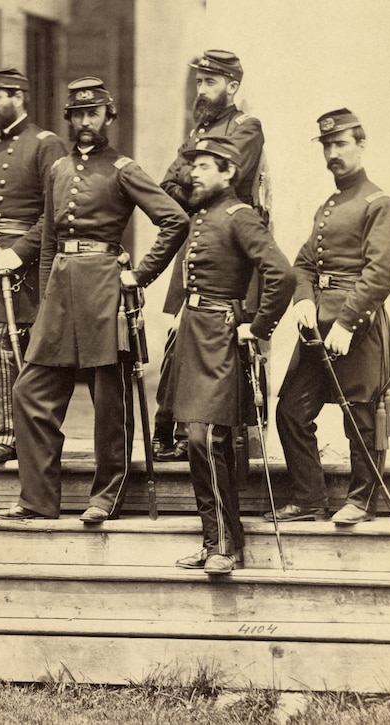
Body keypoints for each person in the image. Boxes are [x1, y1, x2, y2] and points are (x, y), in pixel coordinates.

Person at [0, 77, 188, 522]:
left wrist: (139, 275)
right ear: (69, 118)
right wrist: (45, 300)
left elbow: (174, 220)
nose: (85, 122)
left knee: (110, 401)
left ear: (108, 116)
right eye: (78, 115)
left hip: (105, 291)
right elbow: (47, 241)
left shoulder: (123, 168)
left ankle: (106, 497)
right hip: (60, 292)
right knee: (30, 393)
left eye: (93, 114)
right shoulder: (57, 170)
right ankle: (38, 499)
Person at [160, 138, 294, 575]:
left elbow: (282, 274)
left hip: (219, 337)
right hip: (193, 333)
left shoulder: (241, 217)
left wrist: (255, 327)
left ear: (228, 173)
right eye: (191, 165)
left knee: (208, 438)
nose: (193, 172)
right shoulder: (201, 215)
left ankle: (226, 547)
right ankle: (214, 542)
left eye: (203, 166)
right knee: (196, 443)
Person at [270, 109, 390, 525]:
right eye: (327, 145)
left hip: (358, 326)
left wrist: (346, 322)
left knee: (361, 415)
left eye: (341, 143)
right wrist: (303, 299)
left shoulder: (378, 203)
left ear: (361, 145)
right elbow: (304, 263)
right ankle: (310, 499)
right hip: (316, 324)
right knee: (291, 410)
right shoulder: (328, 205)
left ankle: (361, 500)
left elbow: (381, 271)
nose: (332, 153)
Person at [154, 49, 266, 462]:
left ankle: (210, 438)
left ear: (232, 86)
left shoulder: (246, 127)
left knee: (225, 349)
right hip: (196, 246)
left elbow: (223, 181)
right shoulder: (197, 129)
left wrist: (191, 185)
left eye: (211, 82)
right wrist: (191, 188)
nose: (202, 89)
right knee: (177, 341)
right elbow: (168, 185)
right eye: (199, 82)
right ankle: (173, 431)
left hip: (229, 249)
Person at [0, 68, 68, 464]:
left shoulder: (45, 144)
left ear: (20, 96)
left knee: (16, 344)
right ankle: (3, 432)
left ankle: (25, 434)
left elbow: (55, 211)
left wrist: (20, 250)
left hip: (26, 263)